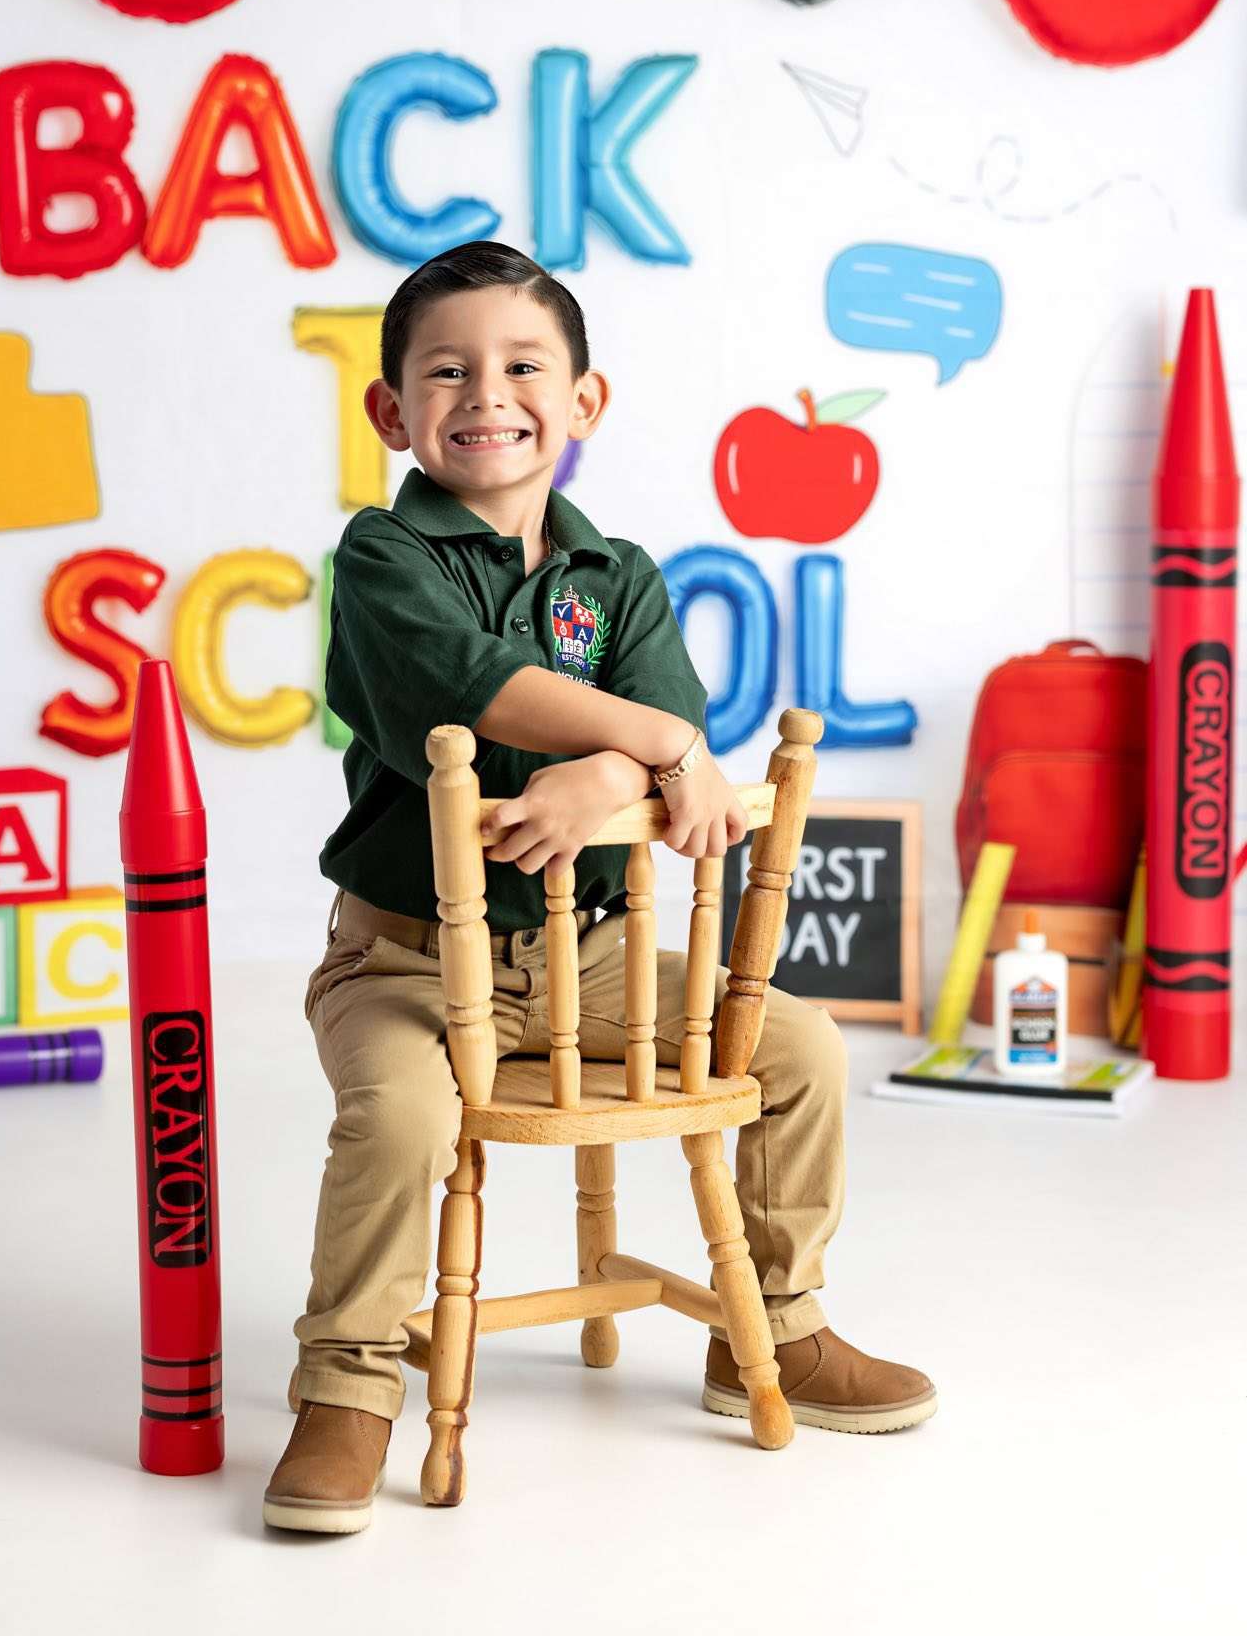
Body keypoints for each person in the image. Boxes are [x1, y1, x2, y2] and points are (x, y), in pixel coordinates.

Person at [263, 241, 936, 1534]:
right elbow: (474, 689)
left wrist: (611, 774)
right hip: (407, 962)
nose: (486, 393)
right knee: (401, 1119)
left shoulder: (615, 574)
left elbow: (669, 738)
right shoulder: (383, 558)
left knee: (798, 1049)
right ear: (391, 410)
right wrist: (655, 745)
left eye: (523, 366)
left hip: (591, 959)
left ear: (583, 402)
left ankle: (774, 1325)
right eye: (446, 372)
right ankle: (346, 1387)